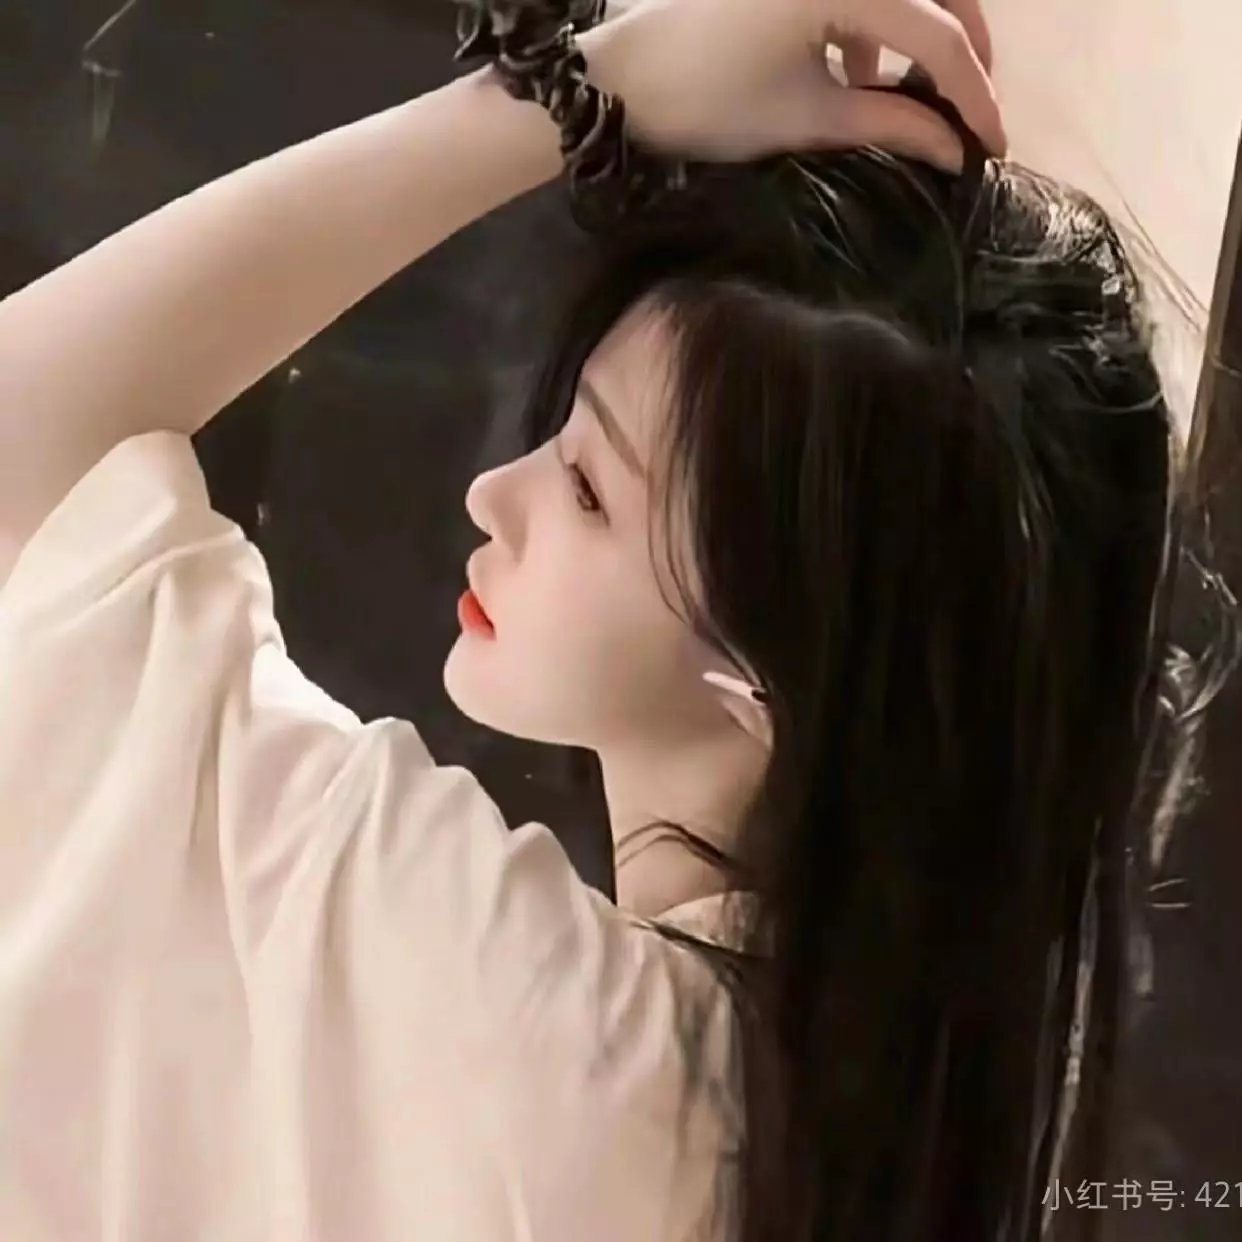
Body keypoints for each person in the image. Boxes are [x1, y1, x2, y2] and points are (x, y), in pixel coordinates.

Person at [0, 0, 1211, 1238]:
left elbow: (19, 451)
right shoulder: (864, 1125)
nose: (495, 495)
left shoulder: (547, 1027)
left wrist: (580, 94)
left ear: (768, 685)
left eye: (587, 488)